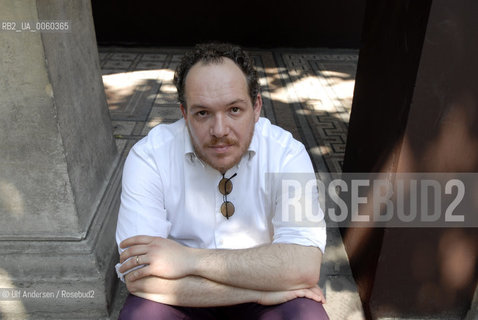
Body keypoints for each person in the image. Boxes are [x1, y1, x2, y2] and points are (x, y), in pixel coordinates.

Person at [115, 43, 328, 319]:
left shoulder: (287, 154)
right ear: (184, 113)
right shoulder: (149, 157)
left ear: (257, 106)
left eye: (234, 110)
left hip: (246, 283)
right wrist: (259, 293)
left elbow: (304, 267)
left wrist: (188, 259)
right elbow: (138, 276)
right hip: (188, 295)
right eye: (202, 113)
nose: (219, 130)